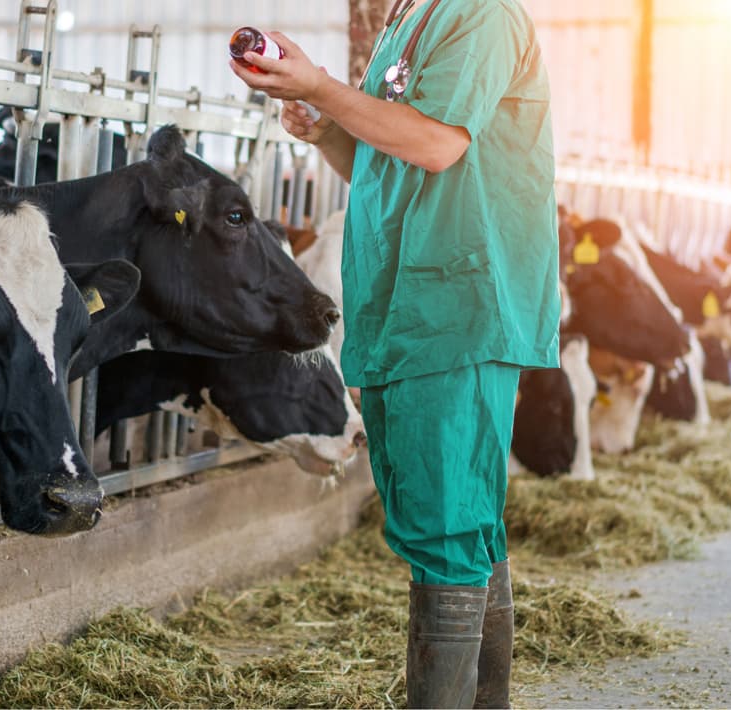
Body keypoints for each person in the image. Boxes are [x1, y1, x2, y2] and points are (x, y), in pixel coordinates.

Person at [230, 1, 561, 707]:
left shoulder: (481, 13)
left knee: (445, 525)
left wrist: (322, 88)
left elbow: (439, 145)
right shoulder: (409, 17)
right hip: (408, 300)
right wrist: (324, 131)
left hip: (456, 297)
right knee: (460, 518)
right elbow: (391, 165)